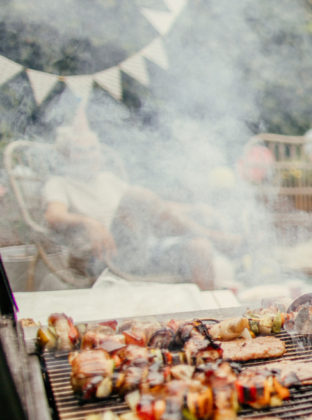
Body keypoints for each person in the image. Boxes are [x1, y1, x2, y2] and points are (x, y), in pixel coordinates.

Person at [42, 109, 240, 290]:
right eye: (80, 151)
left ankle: (209, 318)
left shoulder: (108, 180)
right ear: (66, 156)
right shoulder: (59, 183)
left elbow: (153, 207)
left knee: (199, 246)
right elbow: (53, 215)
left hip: (139, 252)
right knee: (136, 195)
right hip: (103, 256)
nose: (88, 155)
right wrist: (88, 221)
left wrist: (194, 208)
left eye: (93, 149)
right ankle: (214, 237)